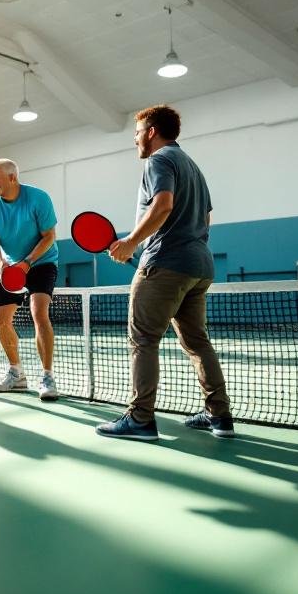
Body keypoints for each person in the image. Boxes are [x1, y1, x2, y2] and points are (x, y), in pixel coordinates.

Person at [98, 104, 234, 442]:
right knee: (197, 343)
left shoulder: (158, 160)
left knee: (143, 340)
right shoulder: (192, 166)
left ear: (151, 131)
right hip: (199, 266)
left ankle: (140, 419)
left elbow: (163, 205)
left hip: (165, 264)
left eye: (137, 132)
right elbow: (206, 219)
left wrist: (131, 242)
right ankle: (220, 416)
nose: (135, 139)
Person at [0, 159, 60, 401]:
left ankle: (47, 377)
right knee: (0, 320)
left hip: (41, 262)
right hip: (9, 266)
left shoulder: (38, 198)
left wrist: (28, 262)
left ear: (12, 178)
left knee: (39, 312)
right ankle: (16, 374)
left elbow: (49, 236)